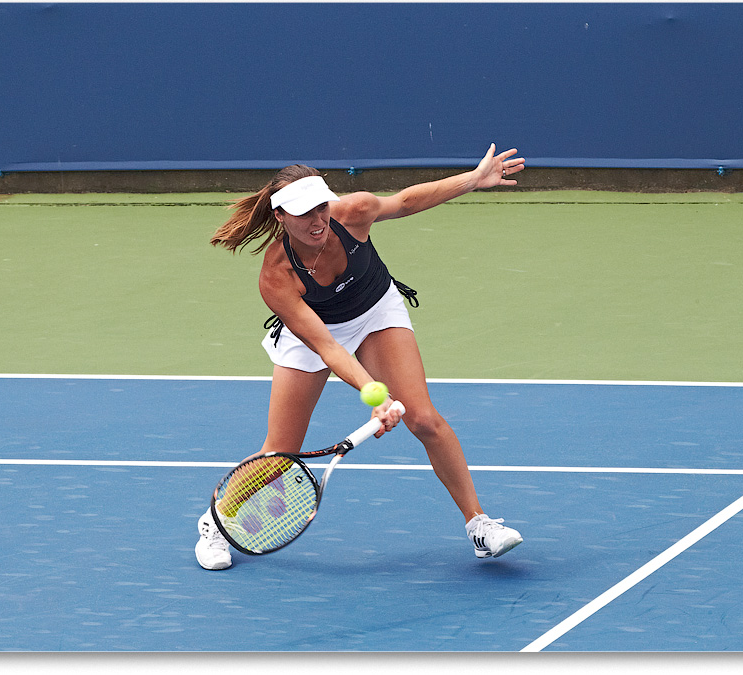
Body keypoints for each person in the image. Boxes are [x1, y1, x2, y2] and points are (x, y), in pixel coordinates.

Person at [197, 143, 526, 570]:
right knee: (280, 453)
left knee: (424, 419)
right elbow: (329, 348)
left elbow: (406, 202)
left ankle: (479, 525)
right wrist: (377, 396)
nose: (316, 221)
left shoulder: (352, 213)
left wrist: (472, 180)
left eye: (319, 207)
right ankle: (216, 523)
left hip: (375, 311)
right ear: (279, 216)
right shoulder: (276, 277)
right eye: (302, 213)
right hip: (316, 334)